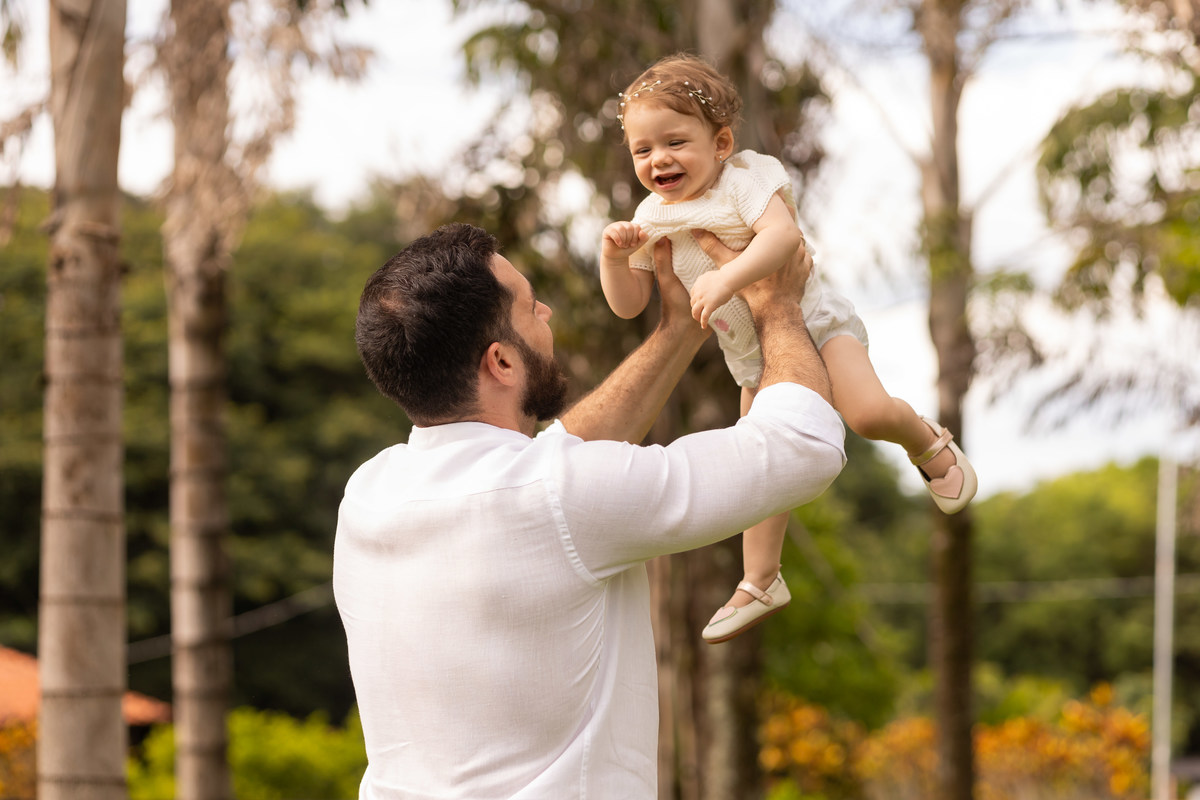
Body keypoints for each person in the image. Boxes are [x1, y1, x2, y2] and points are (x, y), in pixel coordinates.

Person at [334, 220, 845, 798]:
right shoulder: (557, 495)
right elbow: (804, 447)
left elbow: (551, 466)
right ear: (501, 362)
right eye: (531, 308)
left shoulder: (367, 496)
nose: (546, 312)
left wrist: (679, 330)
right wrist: (777, 304)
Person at [600, 53, 978, 644]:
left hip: (817, 326)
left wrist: (728, 278)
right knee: (761, 471)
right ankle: (761, 579)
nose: (659, 160)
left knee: (869, 414)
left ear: (721, 141)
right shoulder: (653, 215)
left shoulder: (744, 179)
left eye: (676, 141)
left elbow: (782, 237)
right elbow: (628, 304)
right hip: (752, 360)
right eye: (643, 150)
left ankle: (927, 442)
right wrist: (614, 259)